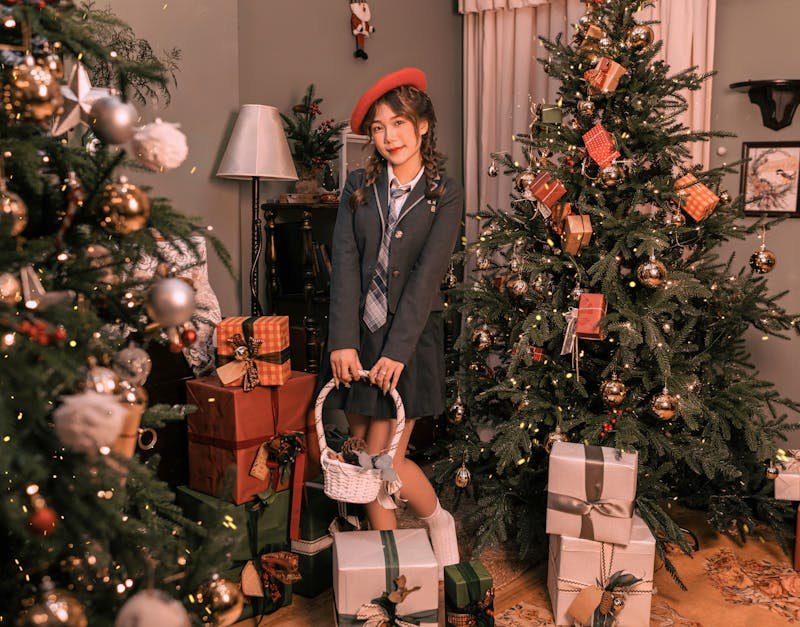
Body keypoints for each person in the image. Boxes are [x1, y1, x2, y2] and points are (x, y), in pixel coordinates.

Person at [318, 67, 462, 575]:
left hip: (409, 341)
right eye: (378, 128)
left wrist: (396, 351)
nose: (389, 137)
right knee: (361, 458)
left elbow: (426, 279)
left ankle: (435, 522)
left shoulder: (444, 191)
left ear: (423, 125)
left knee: (387, 461)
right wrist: (342, 342)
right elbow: (346, 263)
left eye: (399, 123)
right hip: (357, 339)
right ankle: (392, 563)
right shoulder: (359, 184)